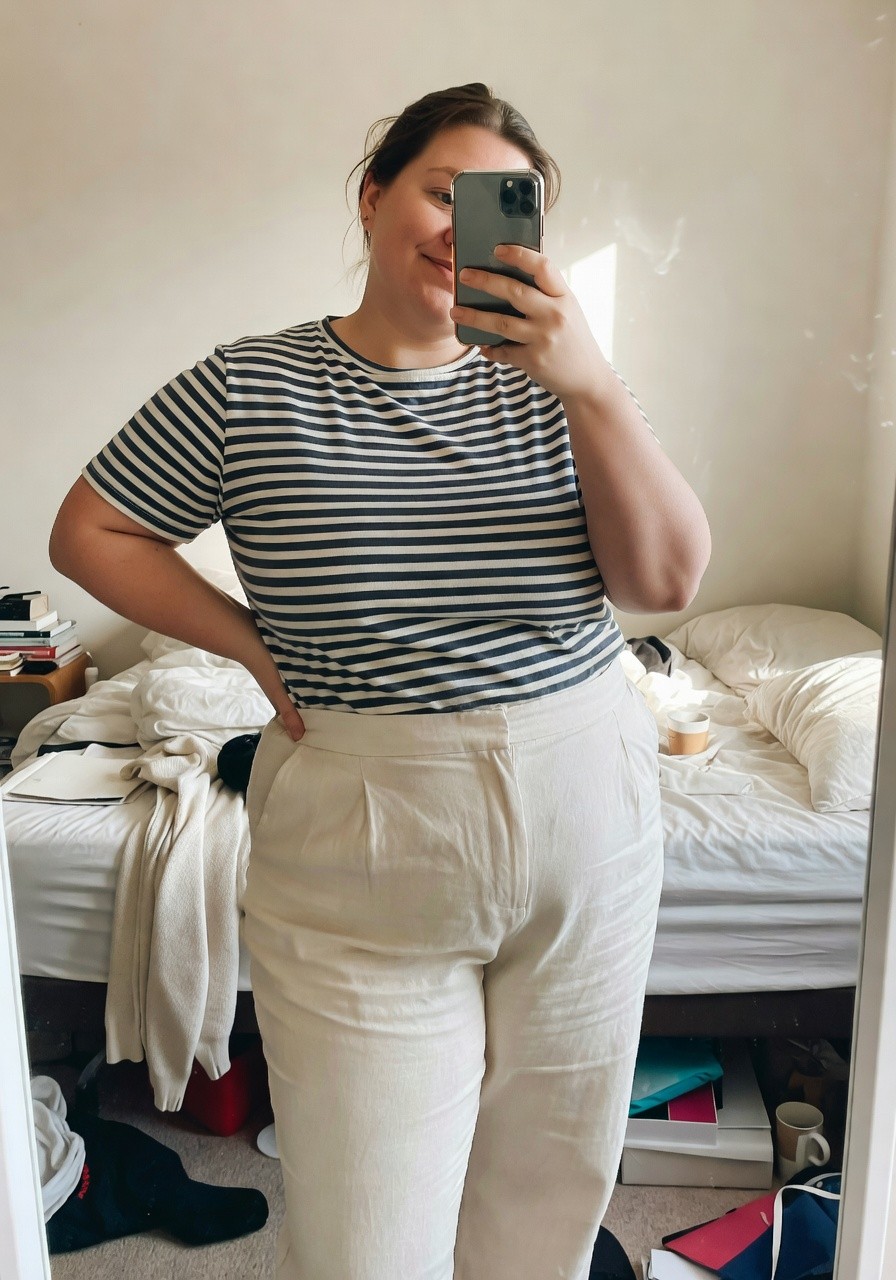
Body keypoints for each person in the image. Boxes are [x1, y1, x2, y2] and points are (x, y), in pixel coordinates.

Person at [50, 82, 711, 1280]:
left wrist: (595, 385)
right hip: (361, 833)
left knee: (547, 1191)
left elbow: (664, 580)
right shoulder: (249, 385)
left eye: (497, 207)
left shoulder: (563, 387)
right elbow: (92, 530)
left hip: (586, 810)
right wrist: (248, 641)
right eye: (435, 189)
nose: (462, 226)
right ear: (371, 197)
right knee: (366, 1236)